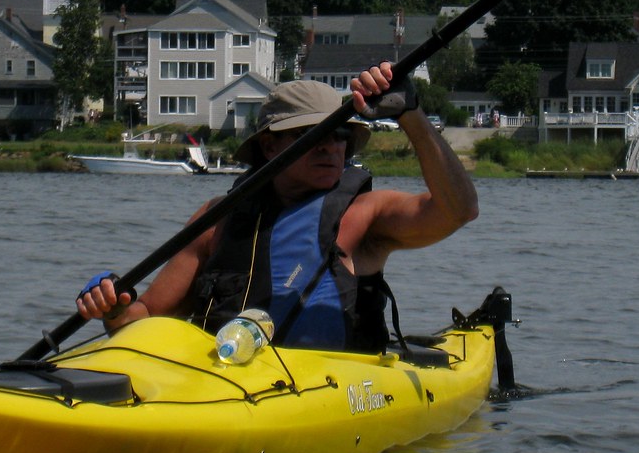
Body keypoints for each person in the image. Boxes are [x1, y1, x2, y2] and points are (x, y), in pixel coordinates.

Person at [76, 62, 478, 353]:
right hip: (227, 383)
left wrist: (411, 114)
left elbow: (458, 211)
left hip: (336, 389)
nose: (328, 146)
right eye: (308, 135)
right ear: (270, 146)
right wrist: (113, 308)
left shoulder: (367, 214)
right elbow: (143, 318)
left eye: (339, 134)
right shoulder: (218, 219)